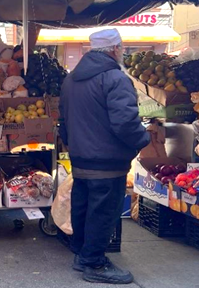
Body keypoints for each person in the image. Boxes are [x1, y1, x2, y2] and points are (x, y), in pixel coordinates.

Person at [58, 28, 150, 285]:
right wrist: (144, 139)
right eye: (121, 47)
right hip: (108, 160)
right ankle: (94, 262)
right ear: (115, 49)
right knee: (103, 212)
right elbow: (125, 123)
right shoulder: (115, 79)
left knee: (83, 206)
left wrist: (74, 146)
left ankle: (82, 254)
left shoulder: (71, 79)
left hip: (80, 157)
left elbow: (63, 120)